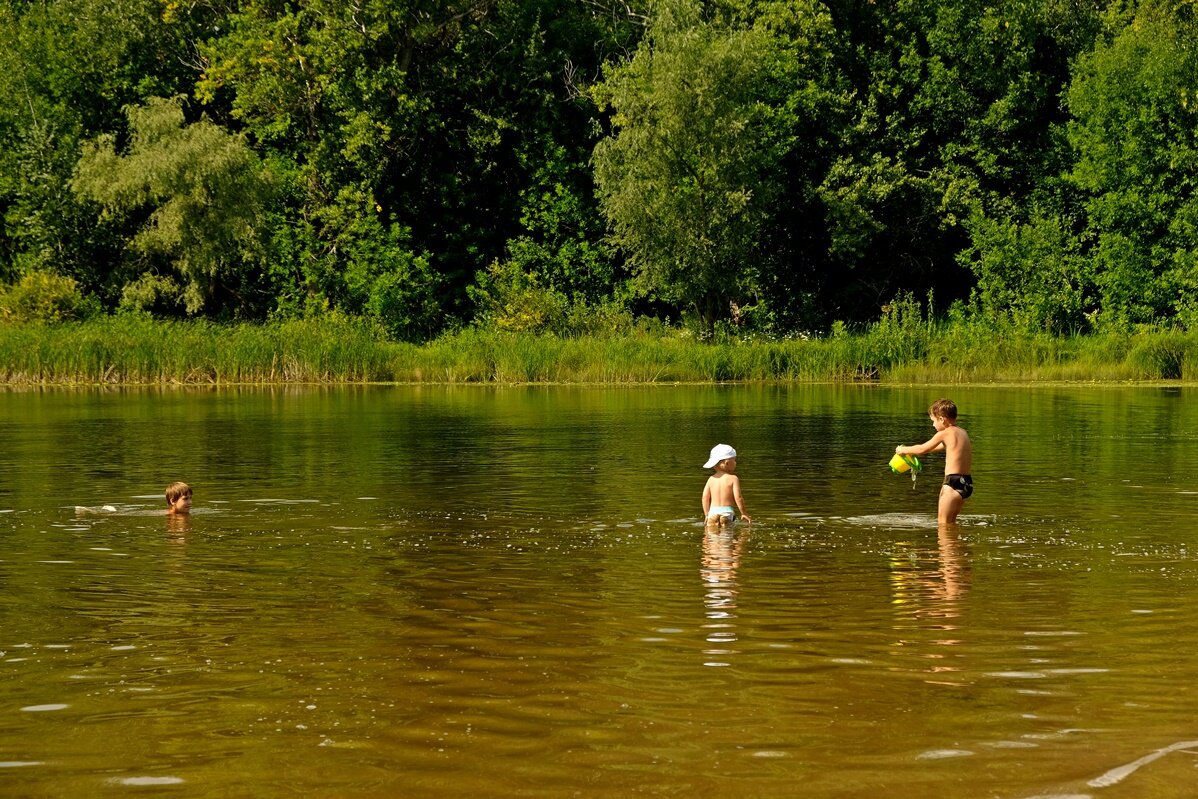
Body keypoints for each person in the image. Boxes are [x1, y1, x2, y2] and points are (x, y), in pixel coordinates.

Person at [896, 399, 973, 525]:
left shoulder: (944, 434)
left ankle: (946, 544)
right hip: (966, 484)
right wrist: (913, 452)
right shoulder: (963, 433)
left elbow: (922, 448)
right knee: (951, 524)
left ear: (942, 419)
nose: (933, 425)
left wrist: (903, 450)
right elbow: (932, 448)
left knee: (943, 525)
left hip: (952, 483)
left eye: (933, 421)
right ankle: (957, 544)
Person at [702, 444, 750, 529]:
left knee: (711, 539)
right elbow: (738, 498)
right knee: (727, 539)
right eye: (734, 460)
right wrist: (744, 513)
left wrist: (707, 514)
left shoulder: (711, 479)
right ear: (727, 463)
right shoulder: (733, 478)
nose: (736, 463)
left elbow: (705, 498)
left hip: (712, 513)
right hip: (727, 513)